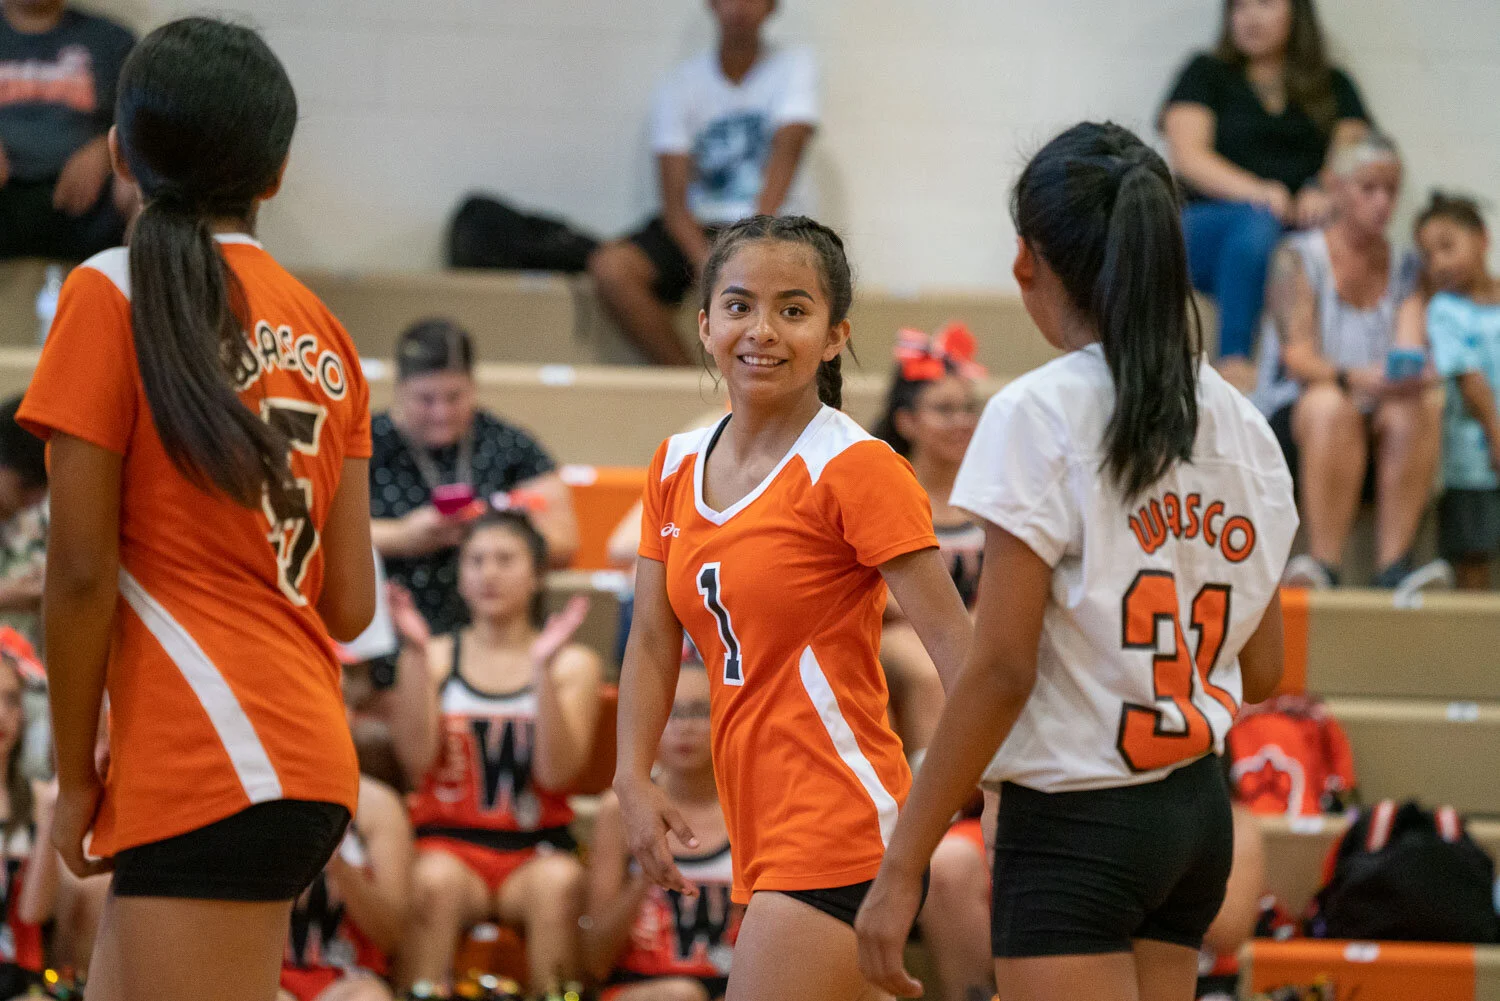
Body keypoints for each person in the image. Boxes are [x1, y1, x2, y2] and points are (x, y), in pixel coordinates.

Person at [854, 122, 1297, 1001]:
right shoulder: (1246, 425)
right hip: (1194, 810)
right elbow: (1265, 669)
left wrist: (904, 862)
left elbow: (1002, 668)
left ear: (1028, 260)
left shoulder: (1037, 412)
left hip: (1076, 822)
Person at [17, 18, 376, 1001]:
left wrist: (74, 778)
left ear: (120, 152)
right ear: (278, 173)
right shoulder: (327, 330)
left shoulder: (107, 290)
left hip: (215, 751)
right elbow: (348, 603)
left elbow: (78, 571)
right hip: (283, 746)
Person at [615, 214, 972, 1001]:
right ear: (704, 323)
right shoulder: (674, 463)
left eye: (794, 309)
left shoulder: (858, 467)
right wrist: (631, 776)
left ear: (836, 335)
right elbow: (650, 639)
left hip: (841, 818)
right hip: (760, 822)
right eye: (739, 305)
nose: (762, 330)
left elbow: (961, 651)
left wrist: (999, 792)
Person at [399, 512, 602, 1000]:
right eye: (475, 561)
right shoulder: (434, 654)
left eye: (505, 560)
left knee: (560, 884)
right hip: (448, 844)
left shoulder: (573, 662)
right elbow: (416, 761)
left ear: (536, 576)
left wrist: (540, 670)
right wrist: (414, 658)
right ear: (460, 577)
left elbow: (558, 774)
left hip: (536, 848)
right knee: (432, 882)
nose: (488, 573)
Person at [1253, 134, 1443, 590]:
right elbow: (1297, 359)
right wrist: (1356, 378)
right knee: (1329, 405)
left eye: (1391, 190)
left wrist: (1416, 374)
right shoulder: (1296, 256)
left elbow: (1409, 348)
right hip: (1300, 416)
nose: (1383, 202)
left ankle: (1394, 568)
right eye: (1369, 188)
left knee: (1418, 406)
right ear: (1336, 187)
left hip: (1374, 417)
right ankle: (1324, 564)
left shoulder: (1406, 266)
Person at [588, 0, 819, 365]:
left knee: (806, 273)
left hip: (773, 225)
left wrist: (748, 245)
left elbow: (788, 153)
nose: (740, 7)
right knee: (612, 267)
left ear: (772, 7)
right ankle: (686, 381)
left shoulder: (793, 67)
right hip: (699, 228)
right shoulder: (681, 83)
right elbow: (674, 201)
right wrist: (705, 260)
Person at [871, 325, 993, 1001]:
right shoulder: (887, 488)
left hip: (984, 642)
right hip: (900, 640)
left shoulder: (994, 491)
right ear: (907, 421)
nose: (961, 421)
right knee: (922, 662)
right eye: (944, 409)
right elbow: (871, 589)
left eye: (968, 407)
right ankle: (937, 802)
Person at [1160, 0, 1370, 386]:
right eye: (1238, 6)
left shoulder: (1333, 84)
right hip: (1206, 228)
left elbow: (1356, 156)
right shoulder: (1205, 73)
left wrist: (1321, 190)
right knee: (1256, 222)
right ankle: (1234, 359)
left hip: (1291, 233)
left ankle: (1327, 373)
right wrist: (1258, 193)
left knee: (1326, 239)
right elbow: (1188, 157)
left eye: (1264, 3)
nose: (1249, 17)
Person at [370, 318, 578, 635]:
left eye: (454, 397)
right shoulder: (366, 444)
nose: (441, 413)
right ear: (400, 391)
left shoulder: (507, 444)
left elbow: (564, 538)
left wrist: (490, 530)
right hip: (389, 625)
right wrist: (403, 537)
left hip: (494, 633)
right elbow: (322, 531)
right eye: (425, 399)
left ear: (473, 387)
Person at [586, 661, 740, 1001]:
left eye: (699, 712)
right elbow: (594, 961)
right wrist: (645, 876)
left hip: (733, 988)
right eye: (670, 713)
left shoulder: (753, 809)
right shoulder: (618, 809)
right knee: (681, 995)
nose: (684, 727)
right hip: (638, 987)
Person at [1403, 193, 1500, 591]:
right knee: (1473, 556)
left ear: (1482, 238)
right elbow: (1469, 379)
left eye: (1447, 246)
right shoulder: (1444, 311)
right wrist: (1497, 435)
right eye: (1428, 255)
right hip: (1472, 465)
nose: (1438, 263)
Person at [0, 0, 135, 259]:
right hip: (7, 189)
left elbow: (143, 117)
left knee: (139, 174)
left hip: (90, 197)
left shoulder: (112, 39)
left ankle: (141, 279)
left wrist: (106, 150)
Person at [278, 774, 413, 1001]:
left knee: (370, 998)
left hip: (346, 974)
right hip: (265, 971)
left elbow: (391, 937)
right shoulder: (253, 792)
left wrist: (338, 863)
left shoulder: (376, 803)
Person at [0, 652, 45, 998]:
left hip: (18, 973)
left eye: (11, 699)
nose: (1, 713)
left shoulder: (38, 799)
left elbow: (34, 912)